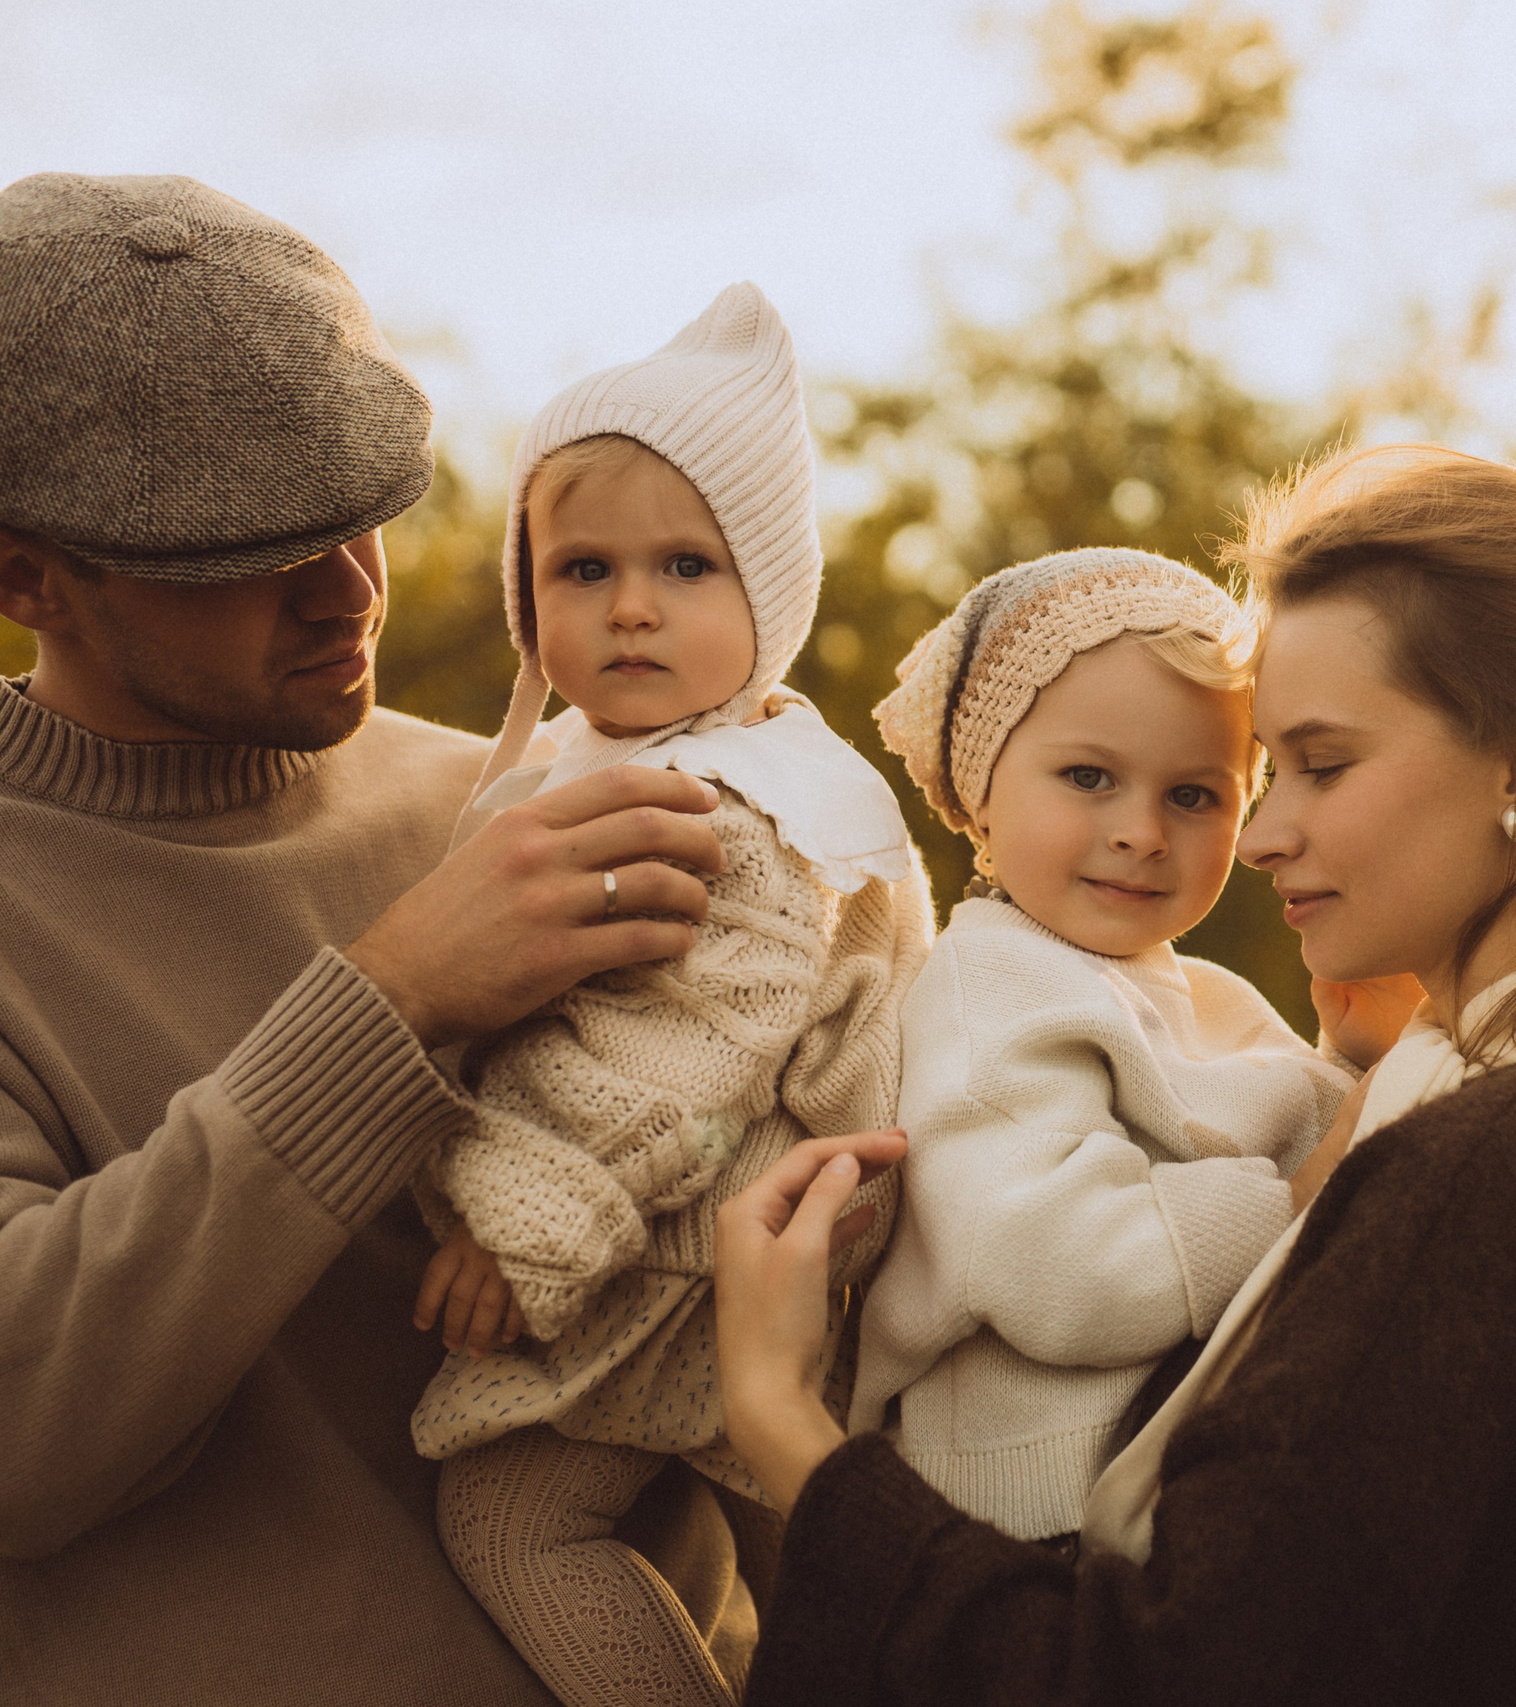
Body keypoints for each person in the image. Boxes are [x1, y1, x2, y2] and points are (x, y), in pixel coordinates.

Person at [714, 444, 1516, 1706]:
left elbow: (1151, 1682)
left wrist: (789, 1432)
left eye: (1317, 764)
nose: (1258, 835)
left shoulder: (1494, 1163)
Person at [0, 172, 756, 1704]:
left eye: (361, 515)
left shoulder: (528, 797)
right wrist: (392, 999)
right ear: (27, 578)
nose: (346, 588)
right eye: (243, 552)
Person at [401, 283, 933, 1707]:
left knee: (514, 1520)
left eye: (688, 566)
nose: (632, 606)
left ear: (772, 591)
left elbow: (694, 1047)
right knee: (802, 1551)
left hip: (696, 1248)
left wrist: (522, 1218)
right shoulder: (606, 763)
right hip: (703, 1239)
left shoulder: (739, 806)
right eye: (583, 570)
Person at [849, 549, 1358, 1547]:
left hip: (1170, 1476)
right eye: (1088, 777)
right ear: (979, 788)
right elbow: (1060, 1267)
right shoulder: (984, 988)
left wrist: (1354, 1054)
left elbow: (1337, 1149)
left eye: (1195, 796)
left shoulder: (1209, 997)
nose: (1139, 831)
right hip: (1027, 1508)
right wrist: (1291, 1204)